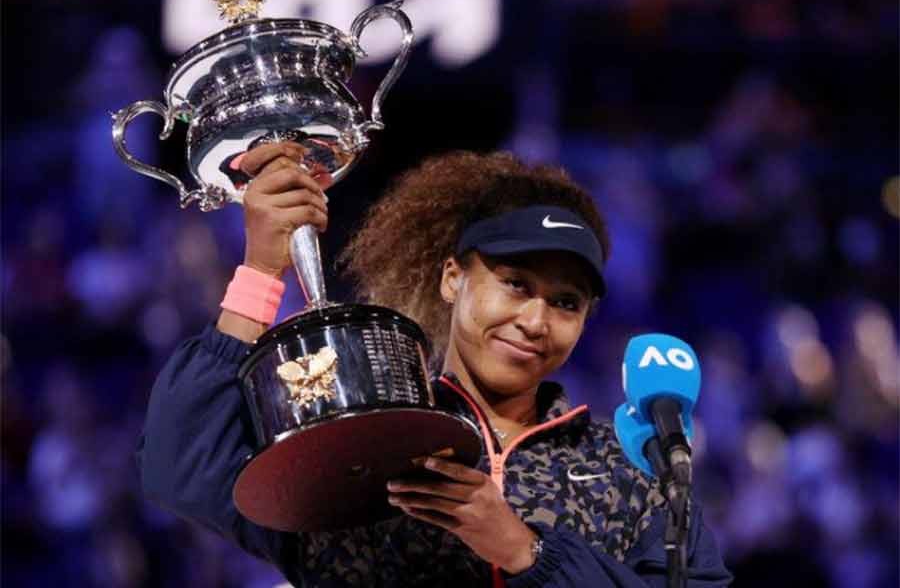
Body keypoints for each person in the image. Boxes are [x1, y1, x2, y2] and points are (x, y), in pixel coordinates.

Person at [136, 143, 733, 587]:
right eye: (515, 284)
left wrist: (527, 551)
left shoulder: (626, 470)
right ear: (453, 279)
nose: (535, 319)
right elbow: (179, 464)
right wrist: (262, 273)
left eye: (565, 302)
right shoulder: (359, 439)